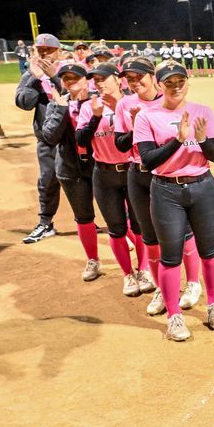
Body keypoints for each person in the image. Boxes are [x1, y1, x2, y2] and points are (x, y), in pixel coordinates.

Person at [134, 61, 214, 341]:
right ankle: (174, 316)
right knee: (171, 256)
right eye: (169, 82)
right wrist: (177, 140)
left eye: (180, 81)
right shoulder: (147, 116)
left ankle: (213, 305)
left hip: (202, 187)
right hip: (166, 191)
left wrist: (201, 139)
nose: (175, 87)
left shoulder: (202, 112)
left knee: (209, 249)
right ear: (159, 85)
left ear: (188, 82)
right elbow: (148, 161)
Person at [114, 56, 203, 316]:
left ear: (154, 78)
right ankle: (162, 290)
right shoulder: (125, 104)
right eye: (129, 78)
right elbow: (121, 145)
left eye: (139, 77)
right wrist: (134, 127)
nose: (134, 82)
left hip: (167, 176)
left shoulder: (168, 100)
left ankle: (193, 283)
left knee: (183, 233)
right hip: (137, 172)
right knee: (148, 236)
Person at [75, 63, 153, 297]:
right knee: (117, 229)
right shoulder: (90, 107)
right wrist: (96, 117)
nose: (98, 83)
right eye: (94, 80)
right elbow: (81, 139)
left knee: (140, 226)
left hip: (131, 170)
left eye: (103, 78)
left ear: (118, 80)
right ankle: (128, 274)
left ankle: (145, 270)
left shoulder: (132, 103)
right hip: (104, 173)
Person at [40, 62, 102, 282]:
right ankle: (92, 259)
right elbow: (49, 137)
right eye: (66, 79)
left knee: (121, 214)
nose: (71, 82)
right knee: (84, 217)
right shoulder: (57, 104)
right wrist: (61, 108)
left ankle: (137, 261)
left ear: (86, 79)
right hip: (70, 168)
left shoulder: (97, 102)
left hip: (99, 166)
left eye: (75, 77)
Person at [15, 33, 66, 242]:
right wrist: (35, 78)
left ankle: (89, 221)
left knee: (86, 182)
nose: (44, 54)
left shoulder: (70, 70)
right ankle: (45, 223)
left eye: (49, 50)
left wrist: (53, 77)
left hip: (75, 138)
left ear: (59, 52)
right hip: (48, 139)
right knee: (48, 181)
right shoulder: (30, 75)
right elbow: (24, 103)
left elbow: (74, 96)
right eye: (40, 50)